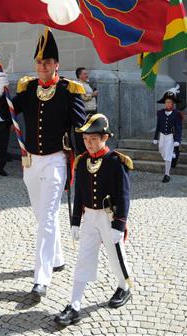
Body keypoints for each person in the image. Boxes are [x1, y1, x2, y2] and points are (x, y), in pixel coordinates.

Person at [0, 27, 86, 300]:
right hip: (30, 162)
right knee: (41, 216)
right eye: (39, 62)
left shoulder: (69, 90)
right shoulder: (28, 88)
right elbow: (4, 114)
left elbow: (80, 128)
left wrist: (85, 162)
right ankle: (56, 257)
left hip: (56, 161)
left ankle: (41, 277)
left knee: (46, 218)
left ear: (56, 64)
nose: (42, 67)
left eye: (47, 63)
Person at [54, 114, 132, 327]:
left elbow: (124, 196)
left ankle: (124, 287)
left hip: (108, 217)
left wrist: (119, 224)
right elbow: (79, 193)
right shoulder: (82, 162)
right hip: (89, 217)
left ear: (105, 137)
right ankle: (75, 305)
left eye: (94, 139)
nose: (89, 143)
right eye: (86, 139)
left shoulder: (116, 161)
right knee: (83, 259)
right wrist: (75, 221)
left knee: (116, 257)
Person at [152, 86, 182, 183]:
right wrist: (155, 137)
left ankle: (167, 174)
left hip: (170, 136)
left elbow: (178, 128)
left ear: (173, 103)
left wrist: (177, 140)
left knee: (168, 155)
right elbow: (158, 126)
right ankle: (174, 153)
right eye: (167, 102)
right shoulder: (160, 113)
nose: (168, 104)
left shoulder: (176, 114)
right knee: (162, 150)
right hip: (162, 136)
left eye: (170, 102)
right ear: (164, 103)